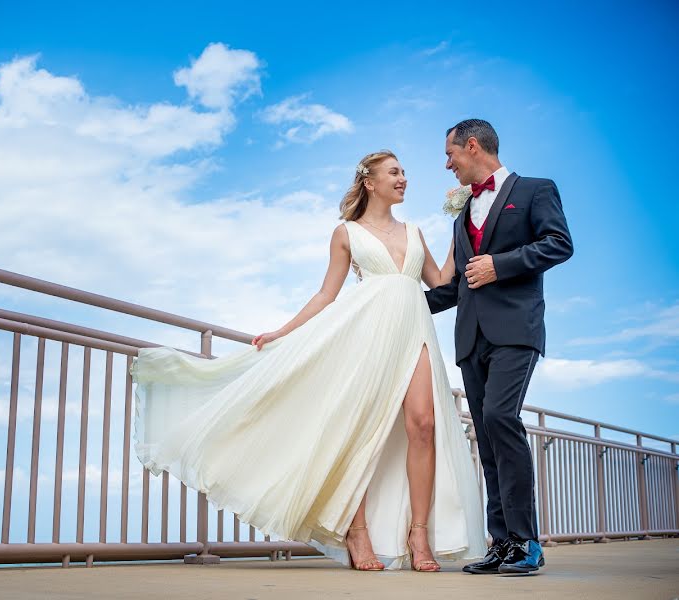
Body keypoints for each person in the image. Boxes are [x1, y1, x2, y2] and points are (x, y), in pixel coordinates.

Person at [132, 150, 486, 571]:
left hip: (415, 330)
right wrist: (283, 332)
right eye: (394, 172)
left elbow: (442, 281)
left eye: (405, 172)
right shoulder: (346, 233)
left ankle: (419, 533)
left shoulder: (414, 230)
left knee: (424, 425)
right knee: (358, 432)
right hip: (367, 333)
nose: (404, 178)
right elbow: (326, 294)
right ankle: (357, 534)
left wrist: (459, 226)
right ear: (370, 182)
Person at [425, 119, 573, 574]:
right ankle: (502, 543)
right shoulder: (460, 213)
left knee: (500, 417)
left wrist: (501, 266)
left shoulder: (535, 189)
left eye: (450, 154)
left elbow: (559, 244)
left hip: (515, 331)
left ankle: (527, 541)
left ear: (472, 146)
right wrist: (398, 302)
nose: (446, 163)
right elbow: (457, 288)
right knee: (487, 438)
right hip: (471, 339)